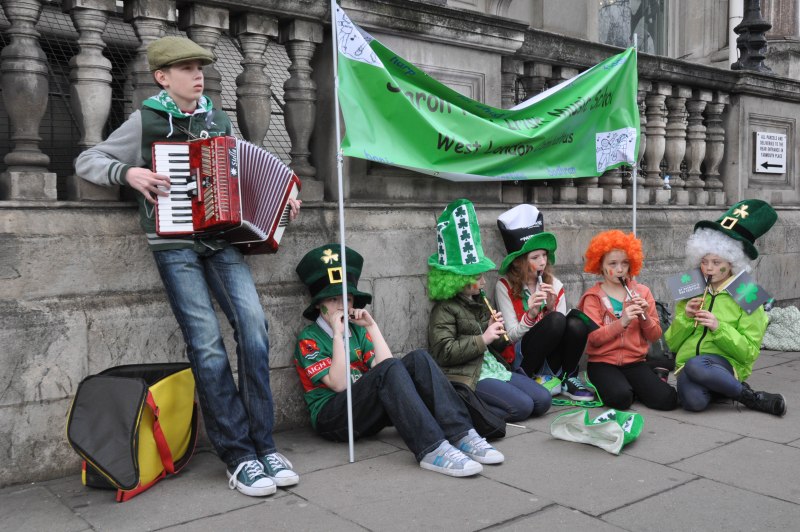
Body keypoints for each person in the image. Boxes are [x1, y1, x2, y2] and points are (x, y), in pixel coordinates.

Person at [75, 36, 300, 497]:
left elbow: (240, 163)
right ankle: (238, 455)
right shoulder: (145, 121)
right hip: (173, 244)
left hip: (221, 242)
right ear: (162, 77)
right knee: (207, 344)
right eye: (186, 68)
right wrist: (130, 173)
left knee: (254, 330)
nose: (198, 74)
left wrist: (286, 190)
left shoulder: (216, 117)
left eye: (200, 67)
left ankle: (264, 443)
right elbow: (87, 159)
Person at [294, 244, 504, 478]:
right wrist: (337, 334)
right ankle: (432, 448)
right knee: (392, 368)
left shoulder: (358, 332)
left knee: (418, 359)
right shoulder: (309, 339)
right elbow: (339, 384)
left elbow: (386, 367)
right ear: (318, 304)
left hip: (364, 410)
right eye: (333, 299)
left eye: (348, 298)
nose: (342, 305)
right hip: (333, 417)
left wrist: (371, 327)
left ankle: (461, 433)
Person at [427, 199, 551, 422]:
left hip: (494, 367)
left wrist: (500, 331)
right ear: (458, 280)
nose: (484, 282)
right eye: (478, 277)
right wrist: (483, 339)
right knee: (522, 408)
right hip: (470, 375)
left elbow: (502, 344)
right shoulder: (444, 309)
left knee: (543, 400)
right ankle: (463, 407)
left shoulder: (479, 301)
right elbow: (443, 352)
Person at [664, 200, 785, 416]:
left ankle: (750, 398)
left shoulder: (748, 292)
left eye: (716, 262)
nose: (708, 268)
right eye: (704, 261)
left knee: (696, 365)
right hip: (687, 365)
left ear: (731, 263)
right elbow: (671, 342)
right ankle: (724, 388)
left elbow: (749, 352)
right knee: (692, 403)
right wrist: (685, 319)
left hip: (726, 364)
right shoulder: (692, 287)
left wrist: (718, 327)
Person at [493, 204, 593, 401]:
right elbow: (510, 337)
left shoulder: (555, 284)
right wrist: (530, 315)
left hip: (551, 357)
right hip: (524, 358)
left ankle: (567, 378)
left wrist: (549, 307)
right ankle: (528, 378)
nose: (542, 262)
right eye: (535, 257)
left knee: (576, 323)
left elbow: (563, 333)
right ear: (517, 262)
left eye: (545, 255)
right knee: (555, 320)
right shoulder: (503, 286)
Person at [578, 230, 677, 411]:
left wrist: (645, 317)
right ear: (600, 265)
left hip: (635, 361)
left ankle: (644, 379)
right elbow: (593, 339)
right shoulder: (592, 297)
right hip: (602, 362)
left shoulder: (643, 292)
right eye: (613, 264)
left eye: (625, 263)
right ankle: (619, 385)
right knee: (621, 399)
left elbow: (654, 336)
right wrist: (621, 322)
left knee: (667, 400)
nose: (620, 269)